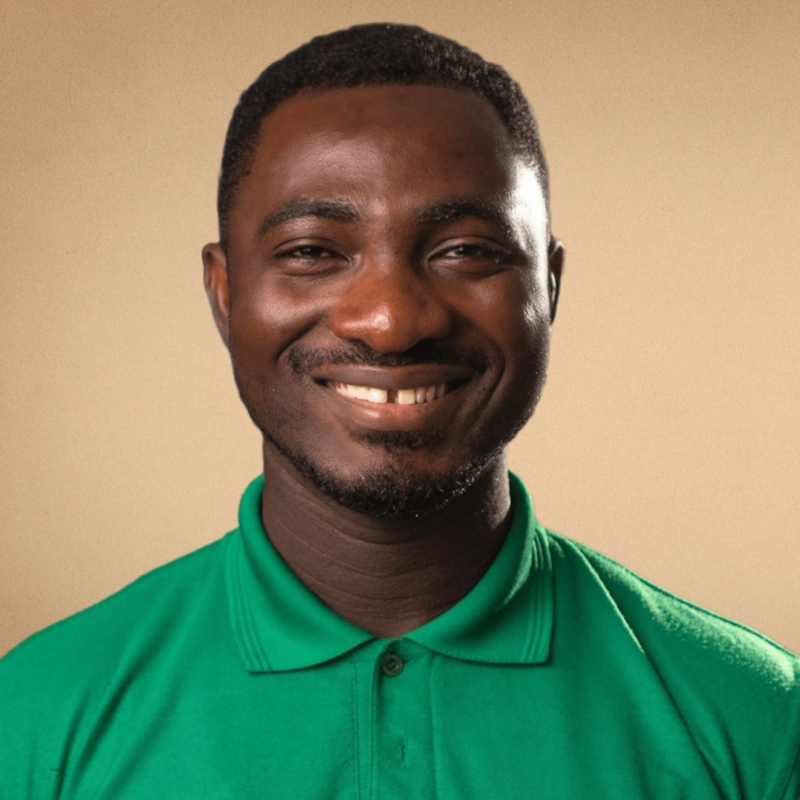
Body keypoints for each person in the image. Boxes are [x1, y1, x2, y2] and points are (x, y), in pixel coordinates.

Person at [1, 22, 798, 799]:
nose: (390, 321)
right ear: (225, 292)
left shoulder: (760, 722)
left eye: (466, 251)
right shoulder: (34, 719)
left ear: (548, 288)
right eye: (313, 251)